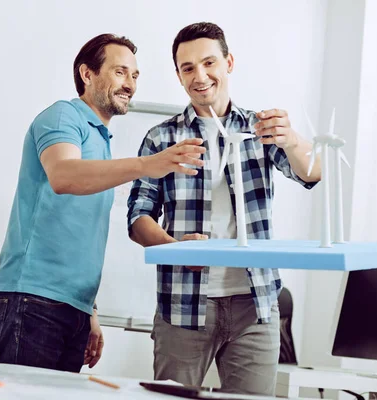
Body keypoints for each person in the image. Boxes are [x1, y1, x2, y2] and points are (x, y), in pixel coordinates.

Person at [0, 33, 206, 373]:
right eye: (120, 72)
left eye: (134, 76)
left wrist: (88, 311)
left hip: (71, 307)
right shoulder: (63, 116)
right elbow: (64, 176)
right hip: (33, 300)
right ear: (87, 74)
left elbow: (78, 237)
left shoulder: (101, 141)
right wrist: (147, 165)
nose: (130, 84)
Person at [127, 22, 321, 395]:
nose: (200, 76)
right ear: (179, 76)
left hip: (256, 304)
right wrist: (178, 248)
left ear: (228, 62)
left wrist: (294, 140)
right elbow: (138, 218)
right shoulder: (160, 138)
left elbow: (312, 174)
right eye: (187, 68)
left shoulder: (261, 129)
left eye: (208, 62)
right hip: (183, 304)